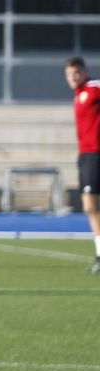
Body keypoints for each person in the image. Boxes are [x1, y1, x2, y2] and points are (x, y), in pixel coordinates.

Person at [64, 56, 100, 274]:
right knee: (90, 207)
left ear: (85, 72)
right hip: (85, 155)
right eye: (69, 74)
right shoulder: (78, 96)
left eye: (76, 72)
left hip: (96, 154)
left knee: (90, 206)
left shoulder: (93, 87)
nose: (73, 77)